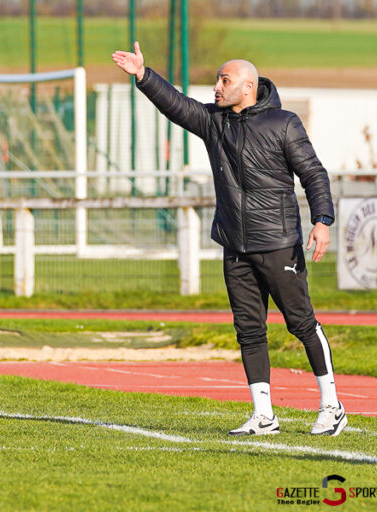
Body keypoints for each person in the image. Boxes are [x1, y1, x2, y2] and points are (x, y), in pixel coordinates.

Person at [112, 43, 346, 436]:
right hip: (235, 246)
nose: (217, 86)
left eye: (225, 80)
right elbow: (177, 105)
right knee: (249, 330)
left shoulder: (284, 123)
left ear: (249, 87)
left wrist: (322, 220)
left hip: (278, 244)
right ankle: (264, 415)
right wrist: (143, 75)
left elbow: (314, 174)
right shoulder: (214, 122)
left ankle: (332, 406)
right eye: (218, 79)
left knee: (302, 324)